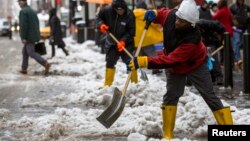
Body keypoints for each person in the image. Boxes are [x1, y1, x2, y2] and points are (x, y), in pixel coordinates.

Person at [127, 0, 233, 140]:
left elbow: (171, 59)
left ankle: (230, 131)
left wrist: (144, 61)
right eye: (178, 18)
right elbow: (162, 14)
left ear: (190, 24)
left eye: (182, 21)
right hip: (175, 67)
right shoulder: (173, 16)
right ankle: (168, 135)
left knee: (209, 95)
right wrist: (154, 13)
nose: (177, 22)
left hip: (195, 65)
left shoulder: (192, 39)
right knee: (171, 96)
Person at [96, 0, 137, 87]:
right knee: (110, 62)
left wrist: (123, 41)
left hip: (127, 44)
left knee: (131, 63)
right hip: (112, 43)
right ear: (114, 9)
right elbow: (99, 19)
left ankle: (135, 85)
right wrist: (101, 25)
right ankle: (107, 85)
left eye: (122, 10)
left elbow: (131, 32)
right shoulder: (107, 10)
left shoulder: (130, 15)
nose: (120, 12)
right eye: (118, 10)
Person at [18, 0, 51, 75]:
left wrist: (23, 37)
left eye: (20, 1)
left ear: (24, 2)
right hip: (33, 35)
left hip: (28, 36)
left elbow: (23, 25)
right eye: (18, 2)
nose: (19, 3)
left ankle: (45, 63)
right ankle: (24, 68)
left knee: (31, 52)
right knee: (25, 52)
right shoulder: (32, 11)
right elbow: (36, 23)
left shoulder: (23, 11)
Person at [134, 0, 163, 75]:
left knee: (138, 54)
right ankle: (155, 68)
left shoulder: (132, 14)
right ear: (145, 7)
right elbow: (154, 24)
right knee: (152, 54)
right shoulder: (147, 14)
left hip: (136, 39)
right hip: (146, 38)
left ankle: (136, 68)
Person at [230, 0, 250, 69]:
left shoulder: (246, 7)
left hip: (244, 27)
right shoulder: (232, 7)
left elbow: (248, 16)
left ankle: (236, 58)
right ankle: (237, 59)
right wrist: (233, 23)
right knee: (237, 42)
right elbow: (230, 17)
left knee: (241, 43)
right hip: (236, 28)